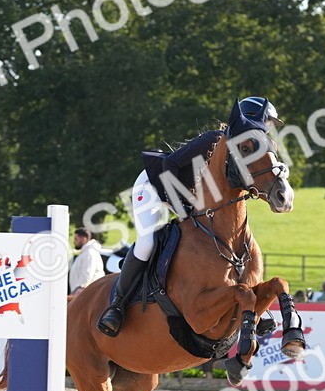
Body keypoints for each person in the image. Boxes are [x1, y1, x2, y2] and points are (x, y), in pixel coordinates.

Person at [97, 97, 282, 336]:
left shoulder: (243, 152)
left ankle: (255, 304)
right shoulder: (214, 140)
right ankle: (117, 306)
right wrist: (181, 206)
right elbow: (170, 165)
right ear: (253, 119)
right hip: (155, 185)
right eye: (268, 122)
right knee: (147, 243)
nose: (269, 129)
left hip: (188, 195)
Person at [69, 227, 105, 296]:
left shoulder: (90, 253)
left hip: (86, 294)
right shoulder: (86, 253)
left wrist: (78, 292)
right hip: (84, 293)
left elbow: (87, 276)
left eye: (76, 239)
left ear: (84, 239)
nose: (74, 241)